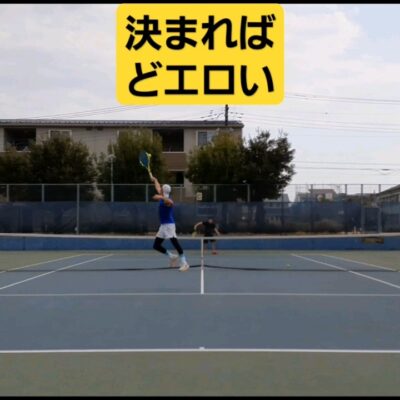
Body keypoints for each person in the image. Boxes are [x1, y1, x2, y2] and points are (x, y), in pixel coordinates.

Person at [150, 173, 189, 272]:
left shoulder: (166, 200)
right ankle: (171, 256)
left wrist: (160, 197)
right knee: (156, 245)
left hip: (169, 225)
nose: (160, 189)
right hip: (163, 226)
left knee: (175, 243)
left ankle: (184, 263)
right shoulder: (163, 194)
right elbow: (158, 187)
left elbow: (171, 203)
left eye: (162, 189)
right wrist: (155, 179)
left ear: (164, 191)